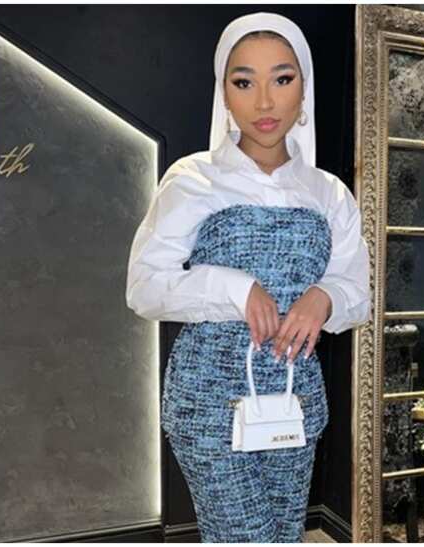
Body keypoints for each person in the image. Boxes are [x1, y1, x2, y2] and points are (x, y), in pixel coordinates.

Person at [125, 12, 370, 542]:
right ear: (225, 94)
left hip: (295, 400)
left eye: (282, 79)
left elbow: (357, 290)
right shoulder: (193, 179)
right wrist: (235, 288)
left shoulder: (329, 193)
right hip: (210, 405)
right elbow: (143, 286)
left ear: (303, 88)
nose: (264, 102)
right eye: (244, 82)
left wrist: (324, 298)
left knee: (281, 535)